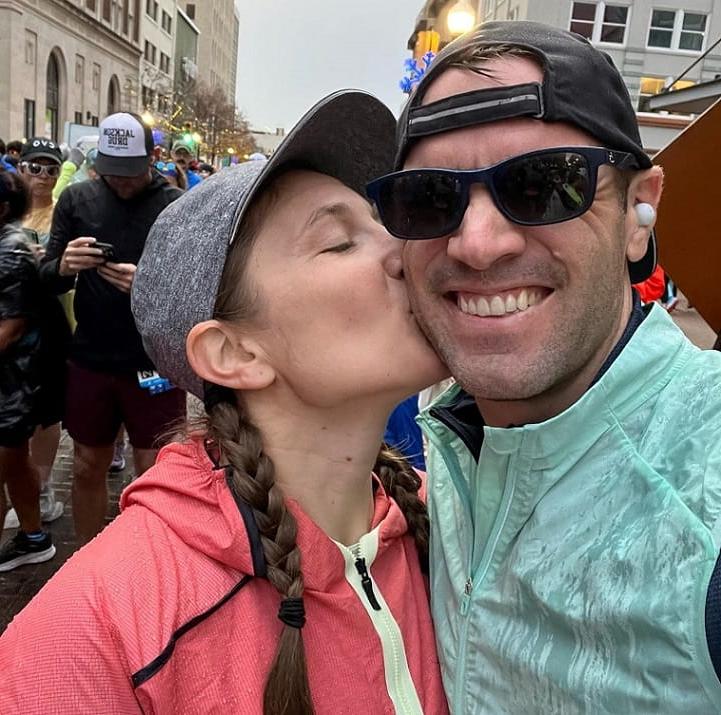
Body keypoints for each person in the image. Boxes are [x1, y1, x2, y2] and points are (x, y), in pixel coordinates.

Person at [0, 90, 449, 714]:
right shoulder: (93, 634)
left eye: (384, 224)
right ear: (235, 353)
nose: (406, 250)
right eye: (340, 243)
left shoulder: (449, 526)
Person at [368, 21, 721, 712]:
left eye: (542, 184)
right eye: (430, 198)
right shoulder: (437, 443)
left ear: (638, 212)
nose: (475, 244)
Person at [38, 112, 186, 544]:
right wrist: (64, 267)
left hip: (154, 359)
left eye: (131, 172)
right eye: (111, 172)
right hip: (92, 355)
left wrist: (149, 285)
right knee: (86, 462)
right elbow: (48, 275)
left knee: (157, 468)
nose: (120, 182)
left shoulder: (174, 203)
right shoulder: (78, 199)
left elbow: (198, 289)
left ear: (152, 158)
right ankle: (85, 557)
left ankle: (155, 560)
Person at [1, 138, 71, 531]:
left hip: (52, 324)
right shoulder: (10, 215)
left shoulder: (63, 214)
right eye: (35, 167)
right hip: (15, 328)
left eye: (50, 168)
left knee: (45, 411)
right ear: (21, 168)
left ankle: (41, 485)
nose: (42, 176)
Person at [0, 170, 56, 571]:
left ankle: (33, 536)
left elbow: (11, 325)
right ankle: (34, 537)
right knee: (15, 464)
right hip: (12, 386)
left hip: (12, 385)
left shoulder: (11, 251)